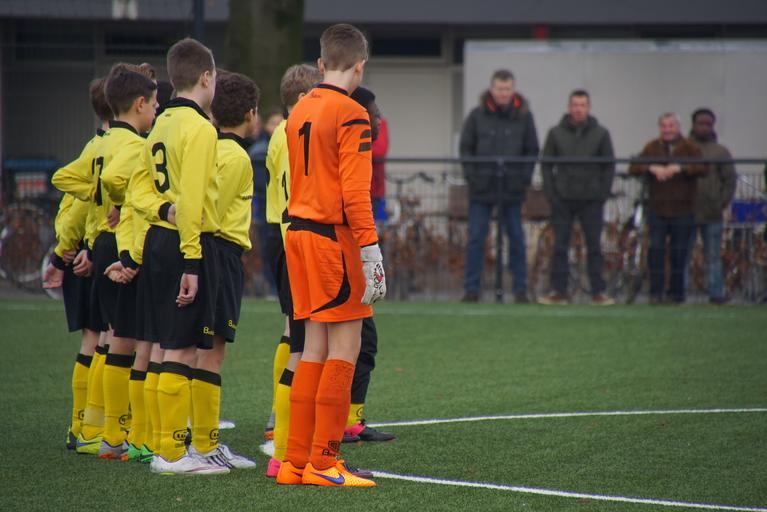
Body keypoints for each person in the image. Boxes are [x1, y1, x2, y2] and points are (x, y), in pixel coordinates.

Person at [275, 23, 385, 488]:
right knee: (345, 349)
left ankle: (296, 462)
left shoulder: (300, 108)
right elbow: (356, 194)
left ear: (321, 64)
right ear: (360, 67)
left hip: (297, 237)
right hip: (331, 240)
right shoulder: (352, 113)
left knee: (312, 348)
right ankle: (324, 461)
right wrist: (371, 250)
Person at [130, 37, 233, 475]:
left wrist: (161, 210)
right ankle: (172, 453)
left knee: (166, 344)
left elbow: (136, 190)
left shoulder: (159, 125)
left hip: (157, 239)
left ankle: (165, 447)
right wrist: (192, 261)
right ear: (207, 77)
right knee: (182, 348)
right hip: (185, 245)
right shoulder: (201, 128)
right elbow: (191, 200)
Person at [93, 62, 159, 460]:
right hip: (128, 245)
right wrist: (121, 201)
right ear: (139, 104)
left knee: (114, 337)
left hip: (104, 240)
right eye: (153, 102)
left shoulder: (99, 141)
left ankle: (110, 434)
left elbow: (68, 178)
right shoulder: (136, 145)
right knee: (136, 339)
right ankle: (132, 436)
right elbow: (114, 178)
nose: (156, 108)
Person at [43, 76, 112, 451]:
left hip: (88, 247)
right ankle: (88, 426)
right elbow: (79, 207)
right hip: (93, 250)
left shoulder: (94, 146)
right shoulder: (108, 149)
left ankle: (84, 425)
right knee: (99, 337)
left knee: (99, 336)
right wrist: (68, 249)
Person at [264, 63, 321, 477]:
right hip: (297, 243)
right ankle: (285, 450)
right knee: (304, 345)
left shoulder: (279, 134)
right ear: (303, 100)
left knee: (294, 335)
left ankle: (283, 439)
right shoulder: (294, 133)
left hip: (284, 240)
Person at [343, 86, 395, 444]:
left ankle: (350, 420)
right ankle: (321, 424)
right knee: (325, 345)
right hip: (337, 254)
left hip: (341, 252)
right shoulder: (350, 152)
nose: (378, 121)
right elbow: (354, 202)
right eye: (374, 115)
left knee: (362, 342)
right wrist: (370, 252)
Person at [460, 69, 539, 303]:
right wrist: (474, 177)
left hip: (512, 189)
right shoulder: (476, 116)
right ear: (492, 89)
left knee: (516, 238)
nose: (503, 93)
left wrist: (523, 179)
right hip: (482, 189)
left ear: (512, 90)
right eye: (500, 88)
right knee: (476, 238)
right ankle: (472, 290)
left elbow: (532, 150)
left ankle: (520, 289)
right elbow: (466, 148)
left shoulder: (524, 117)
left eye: (507, 89)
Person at [539, 89, 616, 305]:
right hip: (562, 198)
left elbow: (609, 165)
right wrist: (551, 193)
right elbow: (546, 165)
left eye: (582, 105)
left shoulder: (601, 134)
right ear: (569, 107)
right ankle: (559, 291)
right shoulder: (555, 133)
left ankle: (598, 291)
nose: (578, 109)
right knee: (560, 246)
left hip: (591, 199)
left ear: (588, 108)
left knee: (594, 247)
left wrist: (602, 194)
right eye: (575, 105)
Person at [629, 113, 707, 304]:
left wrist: (680, 168)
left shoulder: (690, 147)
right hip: (657, 209)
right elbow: (634, 166)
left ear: (678, 127)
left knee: (679, 254)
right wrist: (651, 168)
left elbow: (703, 168)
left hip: (683, 210)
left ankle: (676, 294)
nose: (667, 130)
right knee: (655, 252)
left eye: (671, 126)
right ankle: (655, 293)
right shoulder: (652, 147)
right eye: (664, 126)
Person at [689, 108, 736, 304]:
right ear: (693, 125)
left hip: (712, 212)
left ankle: (716, 293)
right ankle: (679, 293)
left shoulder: (720, 151)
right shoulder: (684, 148)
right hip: (687, 211)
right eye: (701, 123)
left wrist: (721, 202)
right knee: (682, 255)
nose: (704, 127)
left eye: (708, 124)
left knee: (713, 255)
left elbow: (729, 180)